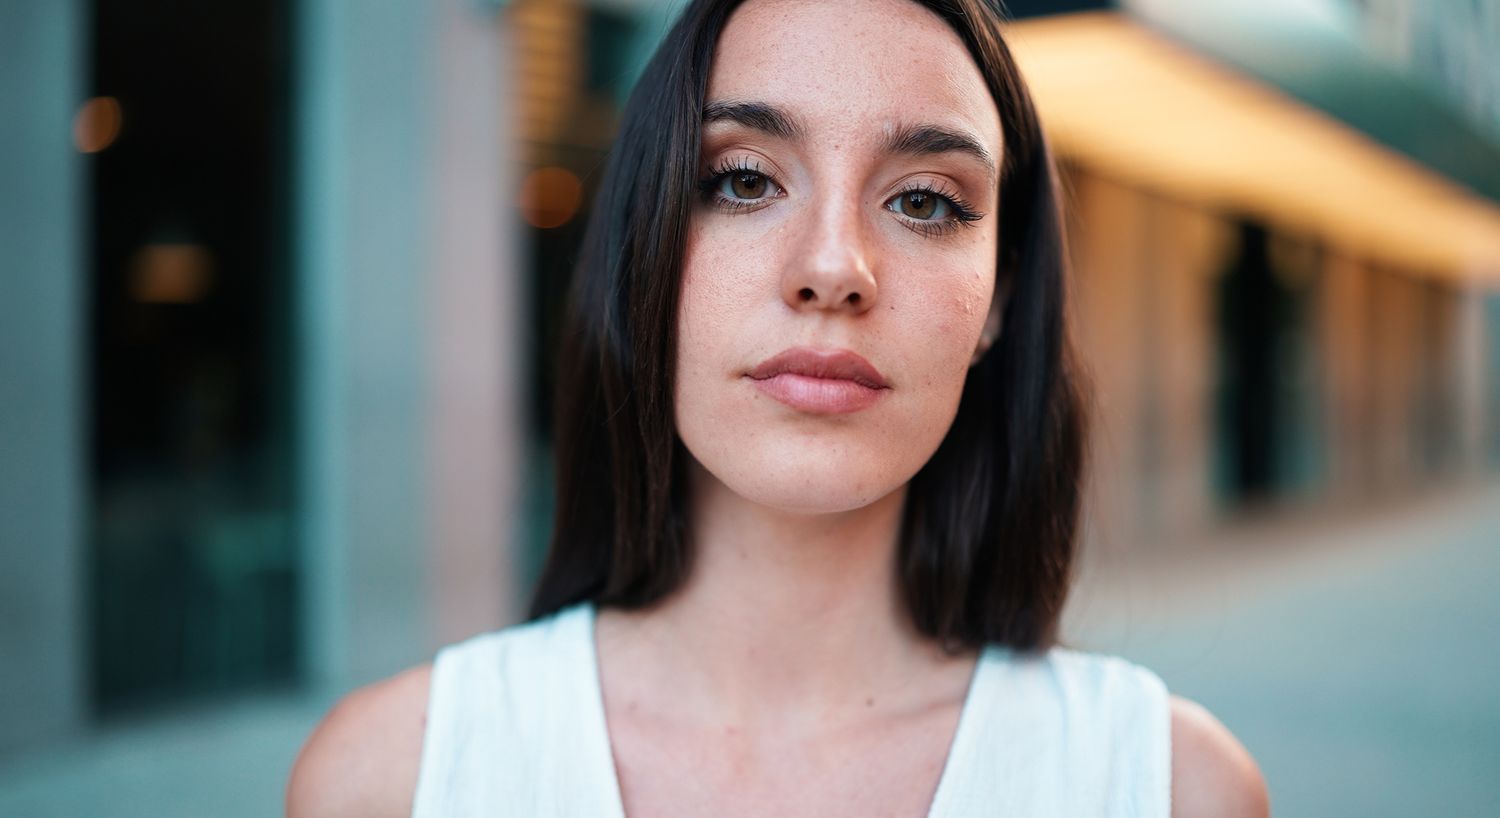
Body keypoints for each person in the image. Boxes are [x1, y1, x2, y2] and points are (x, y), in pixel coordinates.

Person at [287, 0, 1269, 814]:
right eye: (744, 179)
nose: (833, 268)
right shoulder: (391, 779)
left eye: (925, 199)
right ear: (648, 250)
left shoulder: (1169, 785)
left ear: (998, 299)